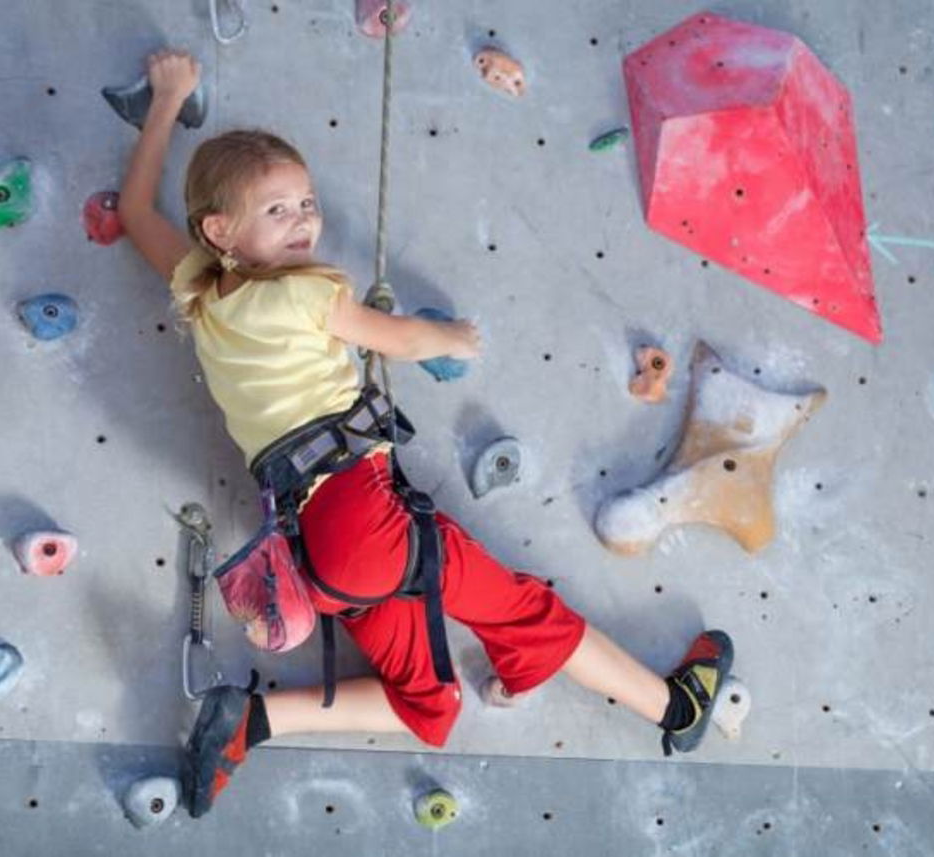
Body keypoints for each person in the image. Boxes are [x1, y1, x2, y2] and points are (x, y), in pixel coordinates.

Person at [117, 48, 735, 819]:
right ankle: (675, 708)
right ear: (221, 229)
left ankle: (254, 720)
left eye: (305, 202)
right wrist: (452, 339)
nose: (305, 218)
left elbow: (136, 211)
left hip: (318, 544)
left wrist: (167, 100)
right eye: (279, 210)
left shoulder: (201, 293)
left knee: (428, 705)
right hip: (360, 520)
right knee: (525, 613)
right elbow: (397, 339)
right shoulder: (311, 291)